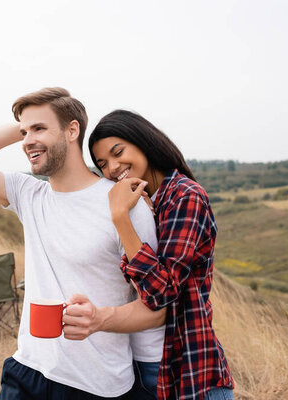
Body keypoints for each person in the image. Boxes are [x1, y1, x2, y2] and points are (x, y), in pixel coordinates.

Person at [0, 88, 165, 399]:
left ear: (72, 130)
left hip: (95, 384)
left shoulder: (125, 204)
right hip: (28, 369)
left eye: (40, 128)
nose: (27, 140)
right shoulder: (29, 194)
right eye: (24, 131)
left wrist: (98, 319)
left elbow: (156, 309)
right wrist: (26, 127)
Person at [68, 109, 235, 400]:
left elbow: (161, 294)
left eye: (118, 152)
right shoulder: (144, 203)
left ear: (142, 140)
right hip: (139, 366)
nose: (113, 168)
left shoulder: (185, 196)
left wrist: (120, 218)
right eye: (103, 163)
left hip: (187, 367)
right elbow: (133, 281)